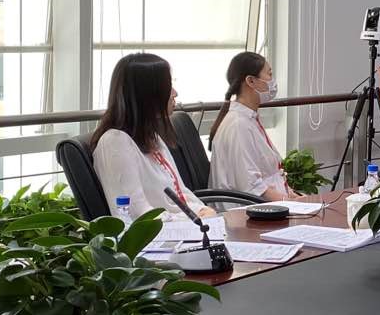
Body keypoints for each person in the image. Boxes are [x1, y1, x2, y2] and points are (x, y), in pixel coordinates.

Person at [90, 52, 217, 219]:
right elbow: (138, 216)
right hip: (163, 233)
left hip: (185, 227)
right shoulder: (115, 142)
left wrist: (202, 210)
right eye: (168, 86)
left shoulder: (151, 136)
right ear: (148, 93)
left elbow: (181, 192)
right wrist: (194, 218)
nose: (175, 93)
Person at [207, 51, 293, 201]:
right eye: (269, 74)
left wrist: (294, 196)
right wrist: (291, 203)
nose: (273, 81)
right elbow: (253, 187)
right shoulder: (238, 125)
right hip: (249, 209)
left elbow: (269, 177)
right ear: (251, 81)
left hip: (270, 203)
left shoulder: (248, 119)